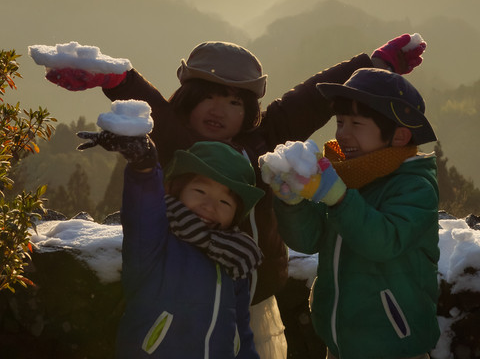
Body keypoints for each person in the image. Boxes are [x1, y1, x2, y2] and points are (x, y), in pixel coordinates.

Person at [31, 33, 426, 359]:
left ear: (250, 109)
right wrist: (117, 79)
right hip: (187, 297)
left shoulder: (263, 142)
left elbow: (308, 99)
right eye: (208, 96)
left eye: (235, 101)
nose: (220, 109)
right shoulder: (179, 144)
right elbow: (153, 108)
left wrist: (374, 65)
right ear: (187, 100)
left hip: (254, 298)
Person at [259, 68, 440, 359]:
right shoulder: (347, 178)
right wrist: (292, 202)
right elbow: (309, 239)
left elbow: (383, 241)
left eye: (356, 124)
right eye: (340, 122)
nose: (342, 134)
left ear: (399, 135)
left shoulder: (415, 187)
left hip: (395, 345)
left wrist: (338, 197)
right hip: (341, 343)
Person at [76, 101, 265, 359]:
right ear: (176, 190)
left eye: (225, 201)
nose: (210, 206)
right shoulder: (157, 237)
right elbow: (142, 207)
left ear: (236, 214)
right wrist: (143, 164)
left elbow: (240, 331)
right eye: (200, 191)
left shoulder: (234, 258)